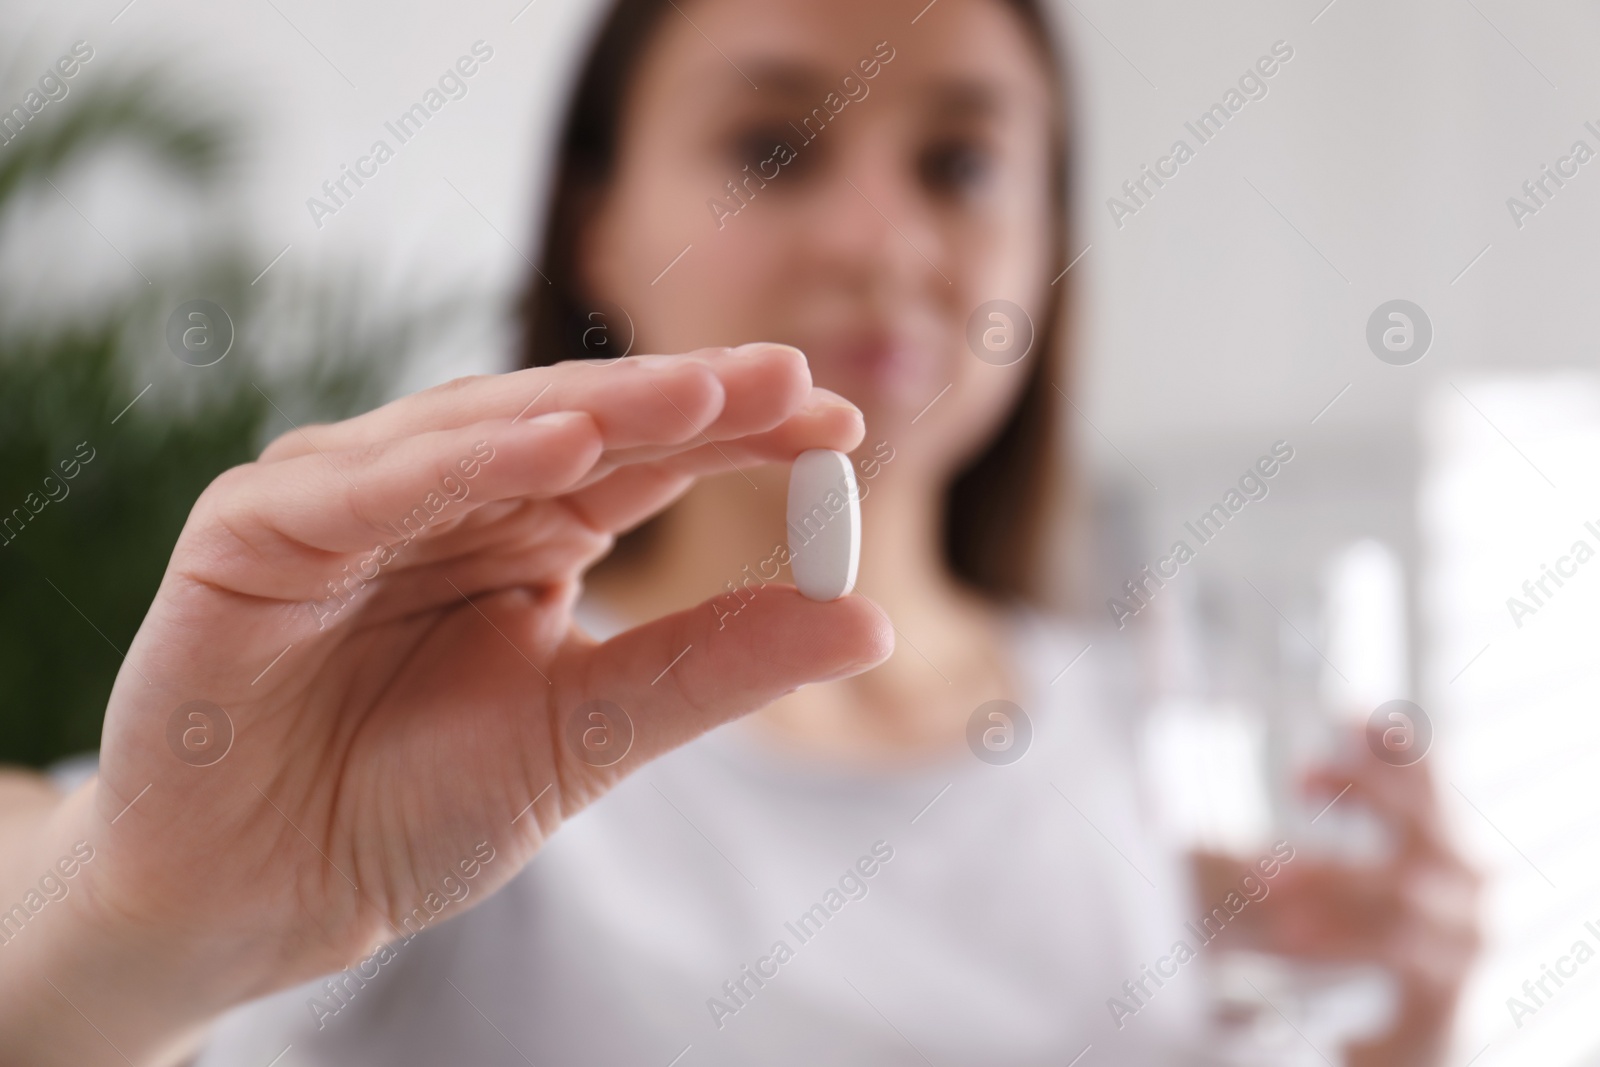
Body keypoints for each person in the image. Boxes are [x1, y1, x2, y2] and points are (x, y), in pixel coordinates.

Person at [0, 0, 1480, 1063]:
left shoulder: (1161, 751)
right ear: (597, 224)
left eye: (960, 165)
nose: (881, 243)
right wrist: (134, 929)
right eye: (773, 149)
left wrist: (1395, 1047)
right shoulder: (421, 710)